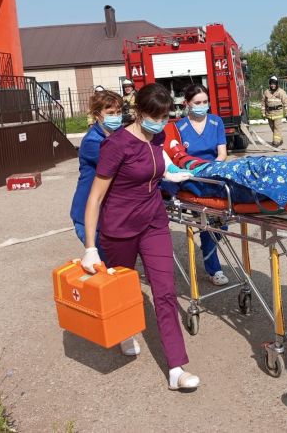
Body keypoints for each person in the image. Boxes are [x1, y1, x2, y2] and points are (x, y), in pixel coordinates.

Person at [80, 83, 200, 391]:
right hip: (119, 228)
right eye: (155, 116)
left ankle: (176, 367)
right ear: (138, 112)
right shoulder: (116, 145)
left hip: (153, 224)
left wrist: (169, 172)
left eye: (165, 117)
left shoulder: (157, 136)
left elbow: (158, 163)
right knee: (124, 289)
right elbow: (94, 198)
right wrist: (90, 247)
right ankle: (124, 331)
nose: (160, 124)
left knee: (165, 292)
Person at [170, 83, 230, 286]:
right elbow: (176, 157)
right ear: (187, 104)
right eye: (197, 103)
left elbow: (222, 153)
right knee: (209, 220)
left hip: (214, 173)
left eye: (205, 102)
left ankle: (210, 250)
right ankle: (214, 269)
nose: (202, 106)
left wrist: (214, 167)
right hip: (191, 177)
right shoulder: (179, 127)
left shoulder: (216, 122)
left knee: (219, 222)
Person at [70, 90, 124, 259]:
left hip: (111, 213)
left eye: (119, 112)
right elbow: (122, 167)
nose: (116, 116)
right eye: (110, 113)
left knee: (116, 265)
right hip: (90, 215)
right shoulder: (92, 142)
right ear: (97, 115)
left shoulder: (122, 133)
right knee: (104, 266)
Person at [261, 76, 287, 147]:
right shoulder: (266, 92)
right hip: (269, 114)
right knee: (273, 129)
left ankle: (276, 142)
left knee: (277, 128)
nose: (272, 85)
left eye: (274, 84)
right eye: (271, 84)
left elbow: (286, 103)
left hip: (278, 114)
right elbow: (263, 104)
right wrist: (263, 113)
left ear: (277, 84)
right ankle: (280, 139)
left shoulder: (281, 92)